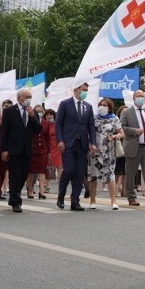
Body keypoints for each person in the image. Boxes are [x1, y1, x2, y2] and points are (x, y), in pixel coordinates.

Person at [54, 80, 98, 211]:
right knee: (68, 170)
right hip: (68, 143)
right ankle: (61, 195)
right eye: (83, 90)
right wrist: (60, 140)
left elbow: (91, 126)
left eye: (86, 90)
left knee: (79, 173)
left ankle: (75, 201)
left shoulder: (88, 107)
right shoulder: (65, 104)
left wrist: (93, 143)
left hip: (82, 144)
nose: (85, 92)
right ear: (76, 90)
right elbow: (58, 124)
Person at [0, 88, 40, 213]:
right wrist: (4, 149)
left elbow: (38, 129)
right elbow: (4, 132)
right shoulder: (9, 111)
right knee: (15, 175)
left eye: (30, 97)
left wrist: (32, 116)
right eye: (26, 97)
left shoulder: (32, 111)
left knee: (23, 175)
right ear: (19, 98)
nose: (28, 99)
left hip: (27, 149)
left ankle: (13, 196)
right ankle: (16, 201)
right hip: (13, 149)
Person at [120, 89, 145, 207]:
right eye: (138, 96)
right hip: (133, 147)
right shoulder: (127, 112)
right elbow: (122, 127)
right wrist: (134, 131)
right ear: (133, 98)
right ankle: (131, 197)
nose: (140, 98)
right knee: (131, 174)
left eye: (142, 96)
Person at [88, 98, 121, 210]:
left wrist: (114, 136)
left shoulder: (114, 119)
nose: (102, 107)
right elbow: (88, 131)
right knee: (93, 175)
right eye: (101, 105)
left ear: (110, 107)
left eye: (105, 105)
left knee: (110, 175)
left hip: (109, 151)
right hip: (94, 150)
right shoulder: (93, 118)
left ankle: (114, 201)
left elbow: (121, 133)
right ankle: (92, 200)